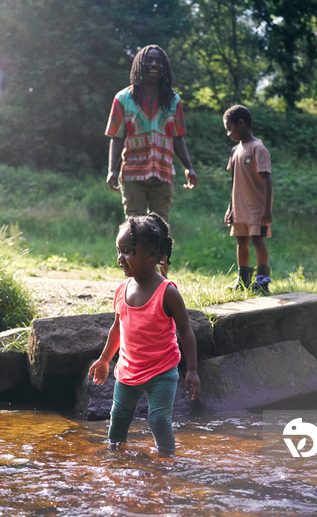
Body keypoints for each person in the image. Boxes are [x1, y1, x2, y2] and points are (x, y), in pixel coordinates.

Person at [88, 213, 201, 457]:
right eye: (118, 251)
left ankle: (166, 460)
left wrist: (191, 370)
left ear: (151, 255)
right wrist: (105, 359)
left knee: (158, 420)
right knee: (118, 417)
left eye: (127, 251)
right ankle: (115, 458)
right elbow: (117, 328)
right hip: (128, 370)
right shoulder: (122, 290)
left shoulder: (167, 292)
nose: (120, 258)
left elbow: (186, 332)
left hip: (162, 371)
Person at [104, 45, 197, 276]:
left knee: (161, 229)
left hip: (163, 172)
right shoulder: (122, 98)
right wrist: (111, 170)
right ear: (140, 66)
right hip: (132, 173)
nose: (154, 65)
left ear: (164, 66)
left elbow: (178, 138)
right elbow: (116, 137)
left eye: (158, 61)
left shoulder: (173, 100)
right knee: (133, 229)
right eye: (149, 61)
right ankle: (135, 282)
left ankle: (162, 283)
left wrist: (189, 167)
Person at [223, 104, 273, 292]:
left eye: (230, 128)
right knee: (241, 241)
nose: (228, 133)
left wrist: (267, 208)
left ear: (241, 123)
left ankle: (262, 281)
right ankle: (243, 280)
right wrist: (230, 207)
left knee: (257, 240)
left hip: (256, 208)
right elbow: (234, 181)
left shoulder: (258, 149)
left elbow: (267, 179)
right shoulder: (235, 151)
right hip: (239, 207)